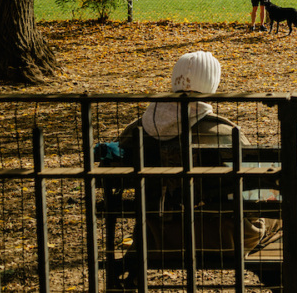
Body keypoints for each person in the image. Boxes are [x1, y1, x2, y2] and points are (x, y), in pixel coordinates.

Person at [116, 51, 281, 279]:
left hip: (156, 237)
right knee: (278, 213)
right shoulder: (226, 133)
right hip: (226, 239)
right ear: (212, 85)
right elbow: (256, 191)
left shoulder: (134, 133)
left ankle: (132, 277)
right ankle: (281, 277)